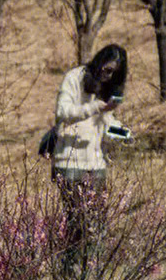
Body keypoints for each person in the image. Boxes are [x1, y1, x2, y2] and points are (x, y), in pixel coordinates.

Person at [38, 44, 127, 254]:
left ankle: (93, 270)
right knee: (76, 221)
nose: (109, 76)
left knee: (98, 222)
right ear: (99, 63)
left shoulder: (107, 88)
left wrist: (123, 133)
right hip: (69, 161)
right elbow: (63, 111)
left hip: (95, 163)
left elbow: (106, 121)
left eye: (114, 74)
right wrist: (94, 107)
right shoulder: (75, 77)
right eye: (107, 70)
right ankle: (70, 267)